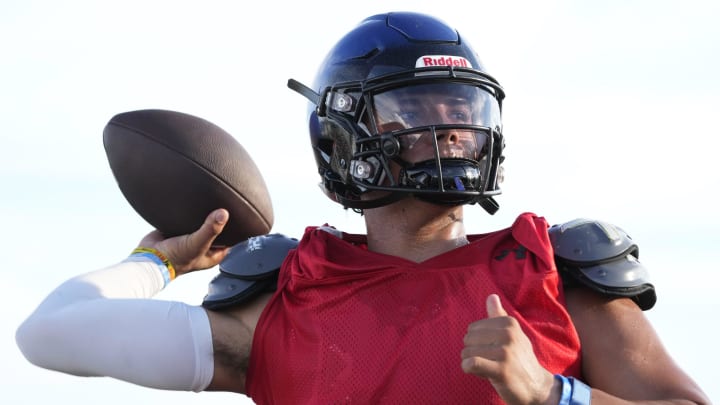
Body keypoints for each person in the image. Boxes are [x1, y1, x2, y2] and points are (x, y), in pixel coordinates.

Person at [16, 11, 710, 405]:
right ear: (342, 135)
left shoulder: (554, 274)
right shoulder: (286, 298)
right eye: (417, 110)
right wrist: (159, 261)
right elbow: (48, 333)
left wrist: (556, 394)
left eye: (462, 111)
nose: (450, 132)